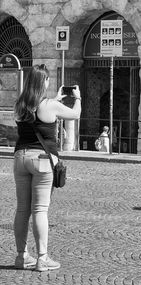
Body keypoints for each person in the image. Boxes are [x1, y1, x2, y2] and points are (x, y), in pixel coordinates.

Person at [13, 64, 81, 271]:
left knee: (23, 209)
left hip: (20, 157)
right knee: (40, 209)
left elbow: (35, 114)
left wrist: (55, 101)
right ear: (44, 81)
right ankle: (42, 258)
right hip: (42, 159)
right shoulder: (49, 105)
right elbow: (75, 114)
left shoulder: (20, 104)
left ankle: (21, 256)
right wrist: (77, 97)